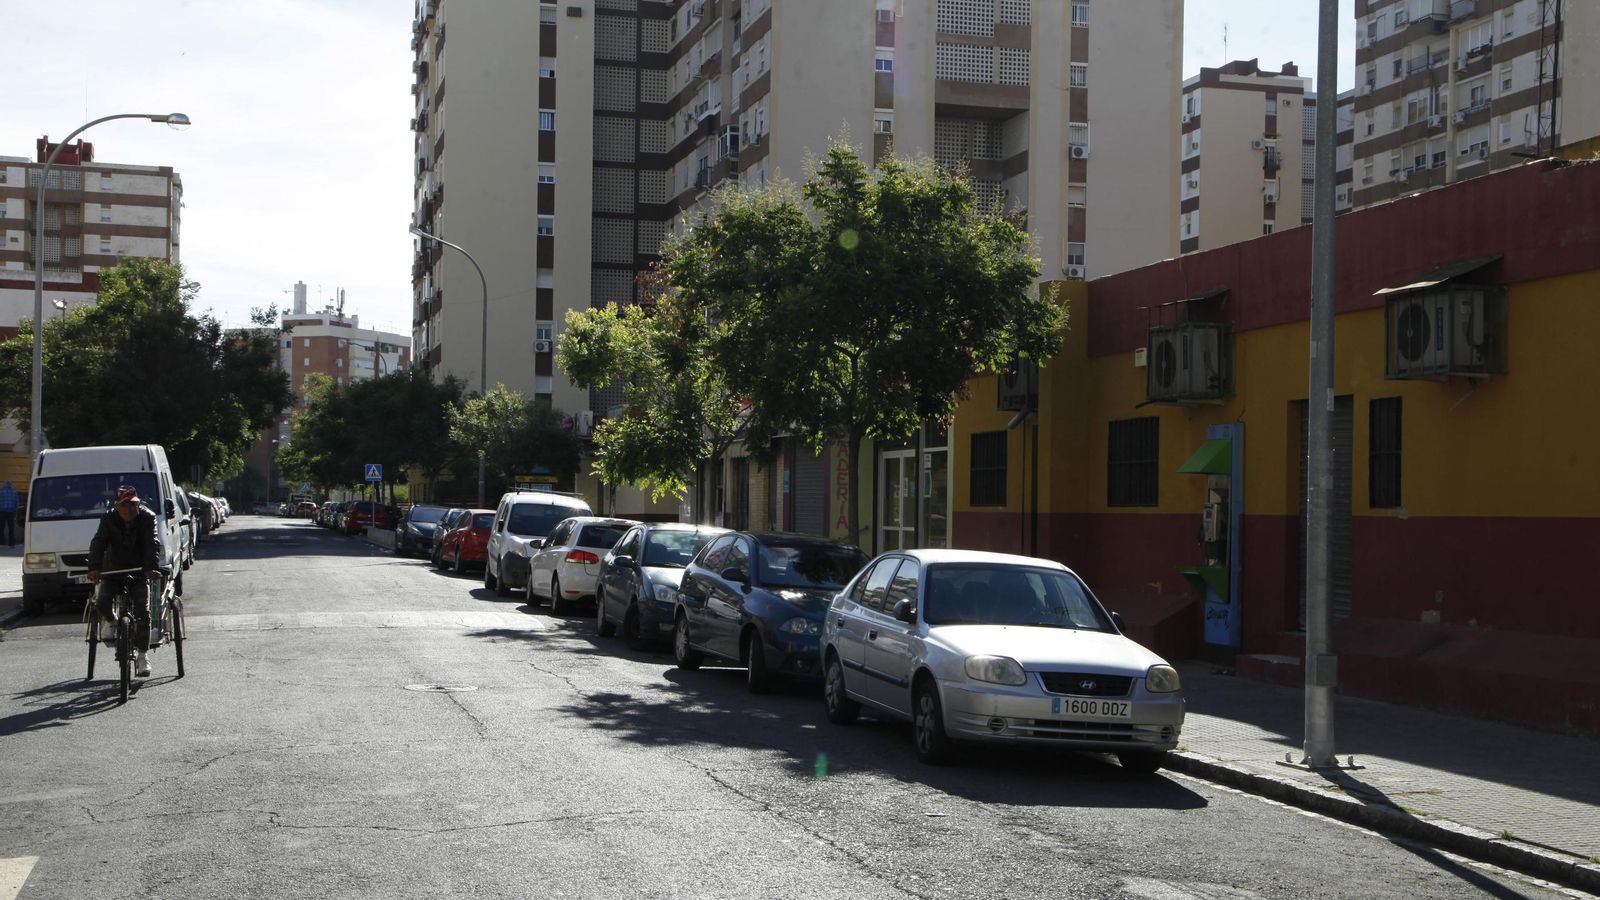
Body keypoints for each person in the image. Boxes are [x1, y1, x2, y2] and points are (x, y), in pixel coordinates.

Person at [87, 484, 162, 678]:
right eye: (124, 505)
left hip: (139, 570)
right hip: (113, 569)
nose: (129, 509)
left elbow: (151, 544)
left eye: (133, 505)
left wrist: (151, 568)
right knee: (102, 603)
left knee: (142, 611)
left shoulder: (147, 518)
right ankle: (112, 622)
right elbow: (98, 543)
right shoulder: (108, 519)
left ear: (138, 504)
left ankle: (143, 656)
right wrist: (94, 568)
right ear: (117, 506)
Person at [0, 480, 19, 547]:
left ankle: (2, 543)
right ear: (11, 485)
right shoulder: (14, 493)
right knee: (11, 528)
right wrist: (15, 512)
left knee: (1, 528)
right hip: (11, 512)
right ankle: (11, 544)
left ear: (4, 485)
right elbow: (17, 503)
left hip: (1, 512)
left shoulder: (1, 493)